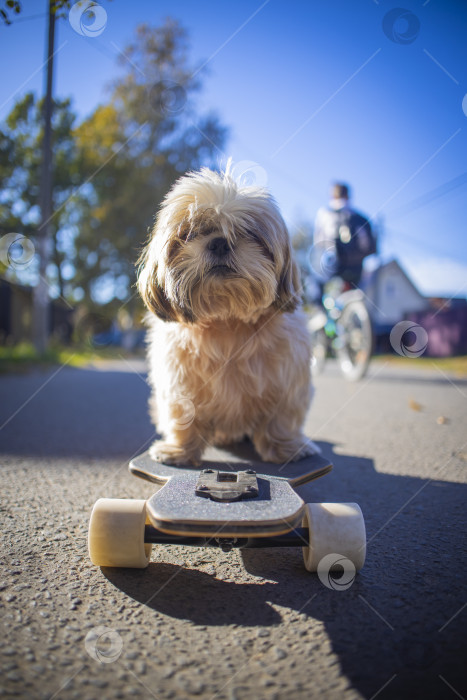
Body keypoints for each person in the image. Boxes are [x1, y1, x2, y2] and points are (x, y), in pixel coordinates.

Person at [312, 183, 375, 289]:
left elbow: (318, 241)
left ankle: (318, 304)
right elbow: (369, 247)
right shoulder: (361, 218)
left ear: (332, 196)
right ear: (348, 196)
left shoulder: (324, 213)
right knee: (357, 292)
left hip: (331, 266)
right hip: (355, 270)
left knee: (315, 281)